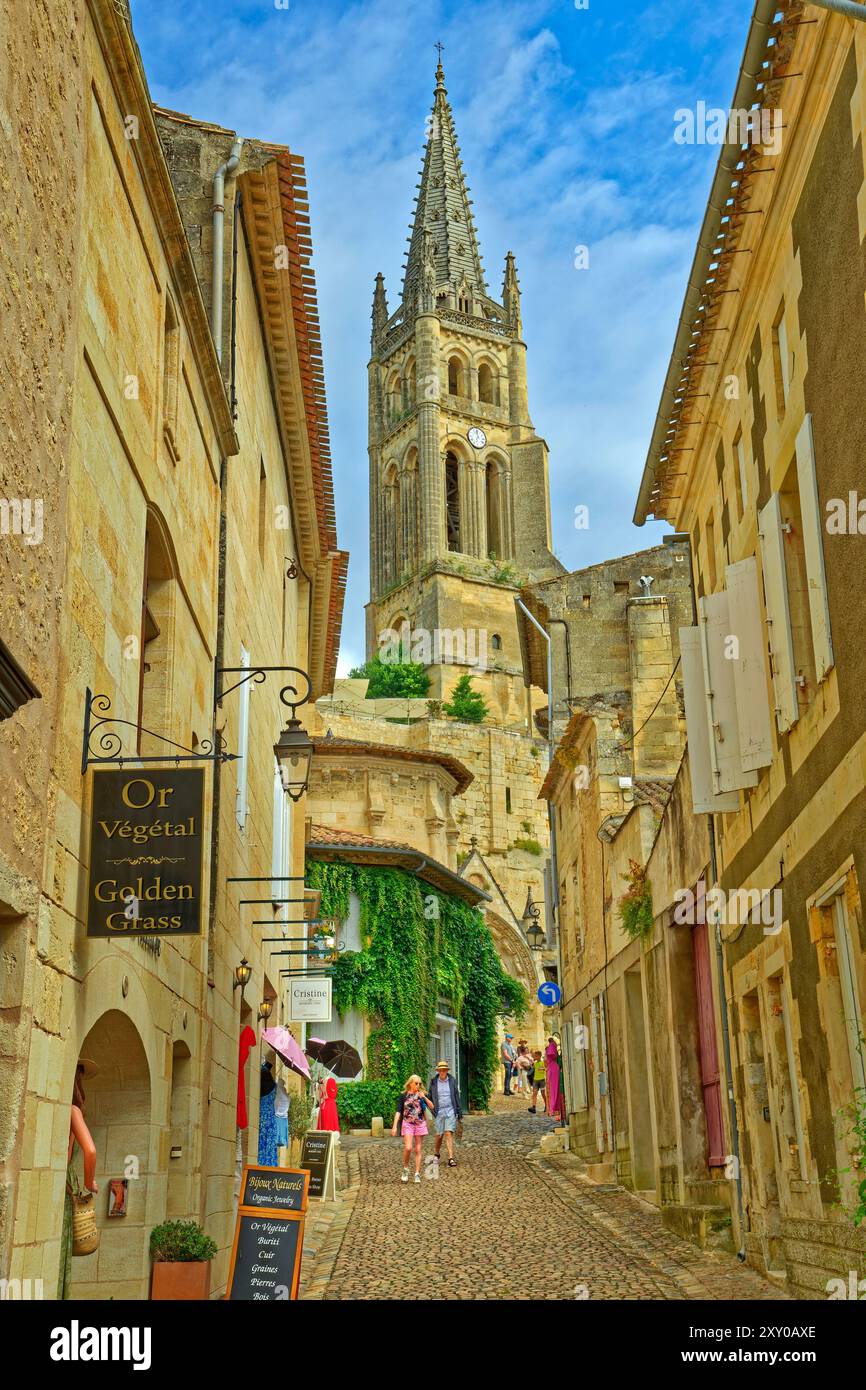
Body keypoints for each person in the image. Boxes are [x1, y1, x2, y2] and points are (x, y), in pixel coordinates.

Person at [391, 1075, 433, 1183]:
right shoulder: (403, 1095)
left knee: (418, 1149)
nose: (418, 1085)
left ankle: (417, 1173)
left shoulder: (421, 1095)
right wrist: (395, 1126)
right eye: (416, 1083)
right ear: (410, 1083)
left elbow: (432, 1107)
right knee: (408, 1147)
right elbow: (398, 1111)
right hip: (408, 1123)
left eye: (419, 1083)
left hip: (420, 1123)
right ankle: (405, 1169)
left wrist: (424, 1097)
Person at [429, 1060, 462, 1167]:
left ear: (447, 1071)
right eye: (441, 1070)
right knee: (439, 1135)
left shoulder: (452, 1080)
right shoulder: (434, 1082)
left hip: (450, 1110)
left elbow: (456, 1096)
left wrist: (459, 1111)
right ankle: (437, 1154)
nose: (442, 1072)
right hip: (439, 1112)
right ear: (438, 1071)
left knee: (448, 1133)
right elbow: (430, 1097)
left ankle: (450, 1158)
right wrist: (433, 1110)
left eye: (444, 1070)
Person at [545, 1036, 561, 1121]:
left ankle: (553, 1108)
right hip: (553, 1068)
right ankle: (554, 1108)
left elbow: (550, 1056)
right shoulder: (552, 1046)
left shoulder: (551, 1046)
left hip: (552, 1069)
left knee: (553, 1089)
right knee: (553, 1089)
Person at [527, 1050, 546, 1114]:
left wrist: (542, 1069)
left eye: (536, 1056)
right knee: (534, 1093)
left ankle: (547, 1106)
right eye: (534, 1056)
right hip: (535, 1080)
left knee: (543, 1094)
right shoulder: (534, 1063)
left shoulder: (543, 1062)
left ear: (539, 1056)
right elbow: (532, 1070)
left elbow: (546, 1069)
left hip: (542, 1079)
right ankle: (533, 1107)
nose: (535, 1057)